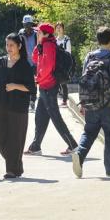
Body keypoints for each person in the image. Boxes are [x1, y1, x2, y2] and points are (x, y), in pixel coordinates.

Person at [72, 26, 110, 178]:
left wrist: (82, 103)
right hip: (108, 105)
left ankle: (79, 154)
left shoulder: (89, 57)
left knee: (89, 133)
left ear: (98, 40)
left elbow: (84, 81)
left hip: (91, 103)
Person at [24, 24, 78, 157]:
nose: (37, 34)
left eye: (39, 32)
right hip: (45, 86)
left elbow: (47, 67)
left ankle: (73, 145)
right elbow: (35, 59)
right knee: (40, 117)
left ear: (47, 34)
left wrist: (38, 79)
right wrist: (38, 44)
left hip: (48, 86)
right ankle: (35, 146)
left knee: (55, 117)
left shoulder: (49, 45)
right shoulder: (43, 44)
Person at [0, 33, 36, 179]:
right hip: (1, 104)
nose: (8, 48)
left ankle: (11, 169)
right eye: (7, 45)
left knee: (15, 139)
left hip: (18, 107)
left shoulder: (25, 65)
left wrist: (15, 86)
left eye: (12, 45)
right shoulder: (1, 61)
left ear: (19, 46)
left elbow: (32, 88)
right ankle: (16, 164)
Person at [18, 15, 38, 112]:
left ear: (32, 24)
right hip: (24, 62)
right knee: (24, 82)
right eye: (25, 25)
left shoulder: (36, 34)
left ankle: (33, 100)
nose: (27, 27)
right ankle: (25, 100)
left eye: (29, 24)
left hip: (35, 63)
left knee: (34, 82)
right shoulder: (20, 34)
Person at [55, 22, 71, 107]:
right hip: (56, 63)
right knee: (55, 82)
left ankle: (64, 100)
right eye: (57, 27)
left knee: (64, 83)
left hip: (64, 63)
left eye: (60, 27)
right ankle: (55, 99)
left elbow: (69, 53)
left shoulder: (66, 40)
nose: (58, 29)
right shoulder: (55, 40)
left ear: (63, 29)